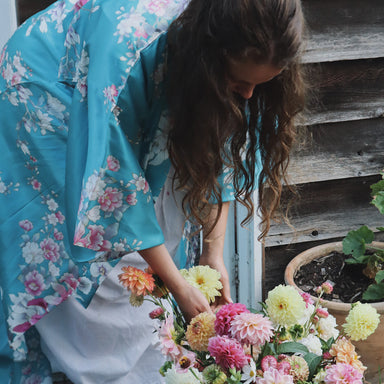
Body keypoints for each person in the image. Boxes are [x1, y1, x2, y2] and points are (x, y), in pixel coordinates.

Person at [0, 0, 306, 382]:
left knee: (160, 225)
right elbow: (113, 191)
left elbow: (220, 146)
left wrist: (213, 253)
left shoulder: (216, 52)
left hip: (125, 76)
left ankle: (149, 359)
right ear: (209, 57)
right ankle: (101, 368)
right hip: (47, 91)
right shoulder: (127, 54)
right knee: (103, 261)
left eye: (259, 85)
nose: (247, 95)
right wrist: (176, 284)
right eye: (240, 82)